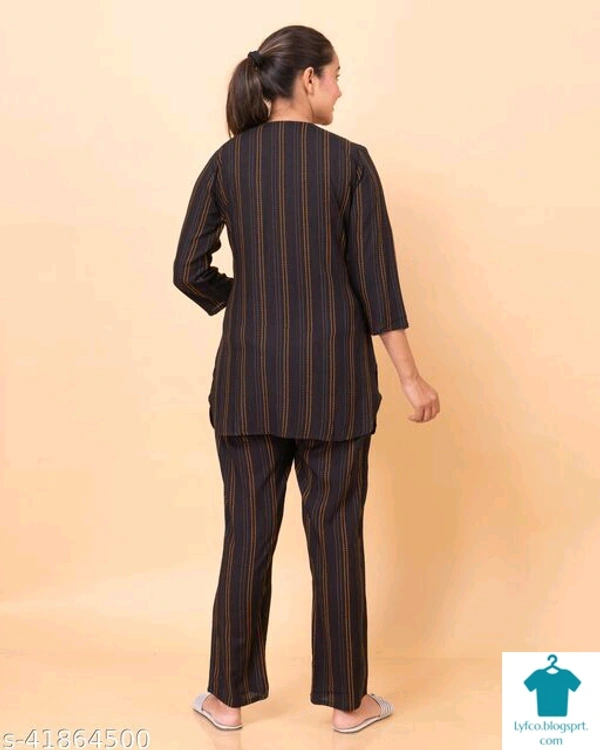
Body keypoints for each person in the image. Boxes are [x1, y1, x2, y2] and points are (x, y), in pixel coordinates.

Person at [173, 24, 440, 734]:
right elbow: (378, 285)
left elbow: (188, 269)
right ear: (309, 80)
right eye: (336, 75)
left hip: (249, 383)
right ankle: (349, 704)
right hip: (334, 385)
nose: (341, 90)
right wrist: (411, 380)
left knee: (246, 537)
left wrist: (245, 298)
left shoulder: (228, 162)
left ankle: (226, 700)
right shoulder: (349, 163)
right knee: (337, 540)